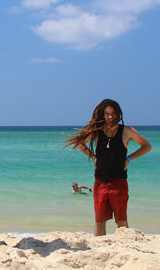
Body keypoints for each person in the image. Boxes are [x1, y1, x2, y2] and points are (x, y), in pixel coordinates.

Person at [64, 98, 151, 236]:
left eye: (113, 113)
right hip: (100, 182)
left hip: (119, 182)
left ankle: (125, 246)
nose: (110, 116)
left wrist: (129, 158)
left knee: (121, 221)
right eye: (107, 113)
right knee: (99, 220)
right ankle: (99, 247)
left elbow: (147, 146)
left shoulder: (127, 131)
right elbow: (79, 142)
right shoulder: (97, 131)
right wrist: (93, 156)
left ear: (118, 114)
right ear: (102, 115)